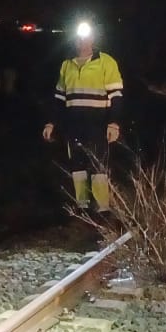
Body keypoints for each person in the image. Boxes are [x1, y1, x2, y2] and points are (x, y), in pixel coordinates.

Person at [41, 21, 125, 216]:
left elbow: (116, 97)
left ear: (93, 39)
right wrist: (51, 122)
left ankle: (102, 210)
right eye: (79, 38)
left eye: (86, 37)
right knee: (77, 166)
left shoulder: (106, 62)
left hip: (98, 124)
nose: (83, 42)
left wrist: (114, 123)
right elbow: (59, 99)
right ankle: (83, 207)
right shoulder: (66, 65)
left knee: (98, 166)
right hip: (74, 125)